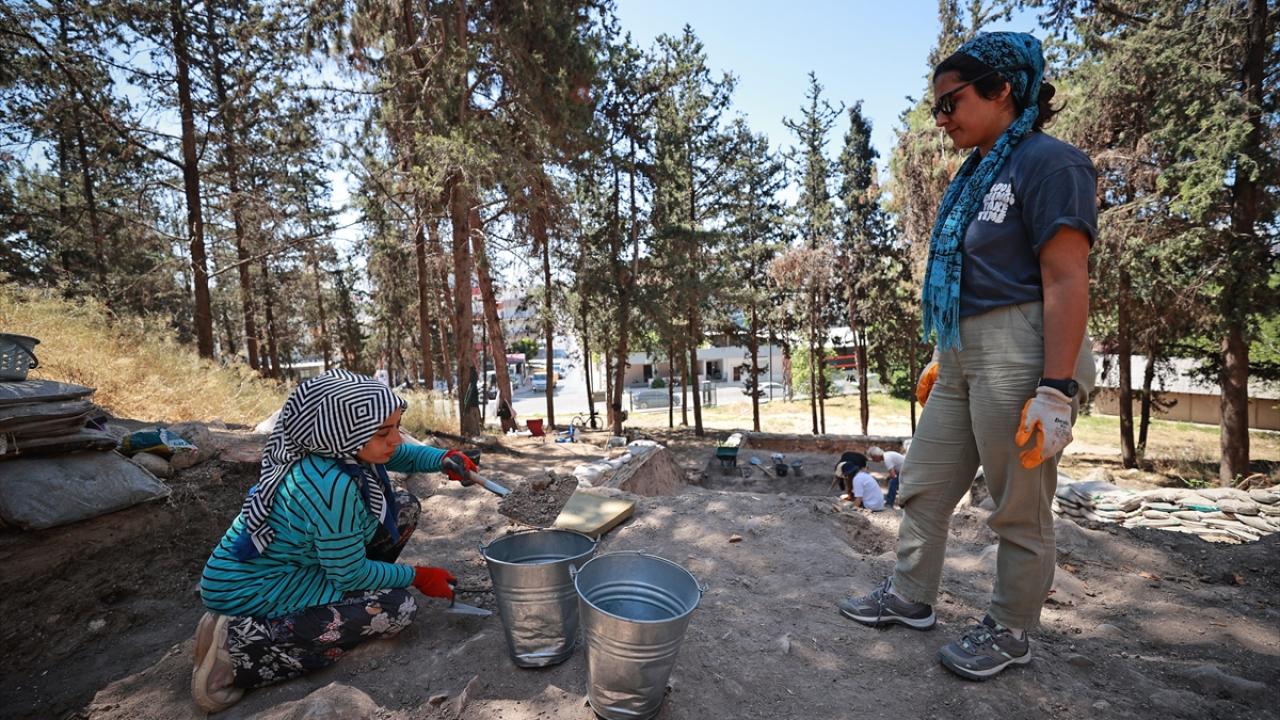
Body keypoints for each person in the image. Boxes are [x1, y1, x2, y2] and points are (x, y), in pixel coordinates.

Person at [838, 32, 1097, 682]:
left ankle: (1011, 630)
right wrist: (942, 354)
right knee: (923, 484)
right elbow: (967, 273)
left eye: (951, 101)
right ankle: (910, 597)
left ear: (1002, 89)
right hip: (960, 353)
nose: (942, 118)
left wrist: (1056, 390)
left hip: (1020, 349)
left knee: (1018, 503)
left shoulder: (1051, 164)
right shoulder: (973, 176)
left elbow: (1066, 280)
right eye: (936, 108)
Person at [191, 369, 481, 713]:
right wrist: (418, 576)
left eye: (396, 427)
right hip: (251, 585)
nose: (396, 440)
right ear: (342, 432)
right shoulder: (331, 486)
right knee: (396, 609)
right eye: (383, 432)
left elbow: (399, 455)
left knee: (401, 508)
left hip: (289, 564)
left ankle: (346, 594)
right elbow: (348, 574)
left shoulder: (331, 448)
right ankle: (238, 647)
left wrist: (442, 458)